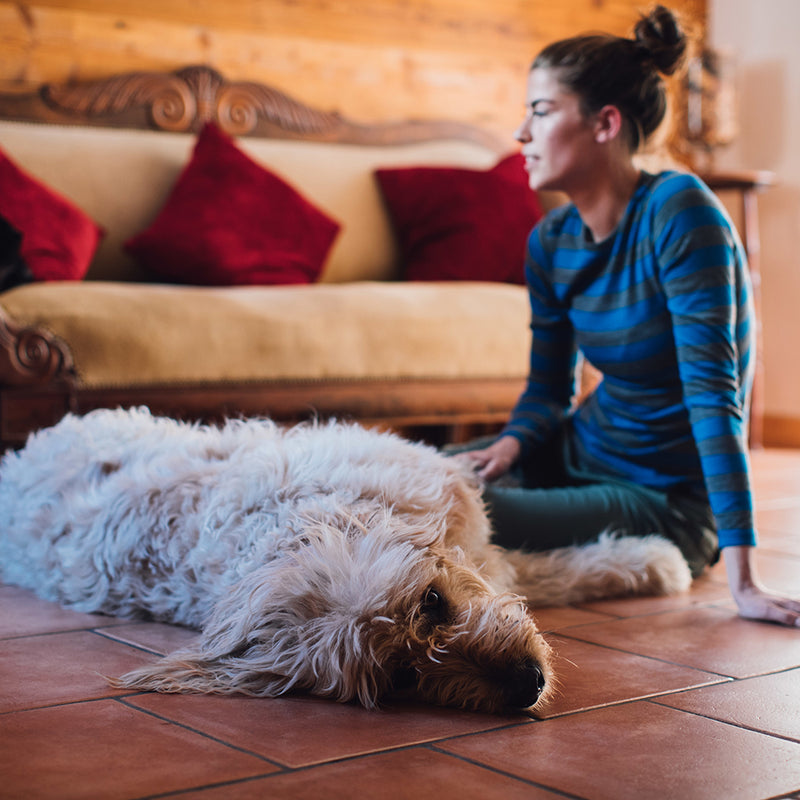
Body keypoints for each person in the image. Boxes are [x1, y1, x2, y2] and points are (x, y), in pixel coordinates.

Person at [458, 5, 800, 627]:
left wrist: (745, 580)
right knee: (416, 476)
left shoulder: (679, 211)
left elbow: (715, 396)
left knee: (447, 510)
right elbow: (547, 390)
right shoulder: (552, 242)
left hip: (662, 500)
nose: (520, 134)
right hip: (578, 449)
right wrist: (511, 444)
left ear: (605, 124)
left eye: (539, 111)